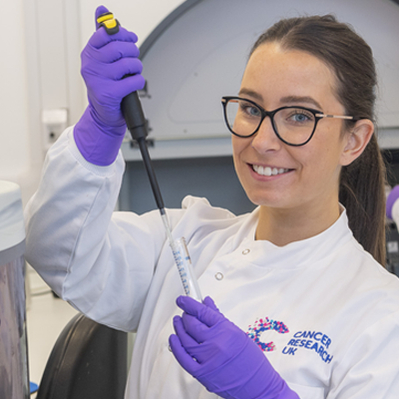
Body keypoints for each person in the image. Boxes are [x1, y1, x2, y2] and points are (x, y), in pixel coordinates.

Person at [24, 5, 399, 399]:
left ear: (354, 140)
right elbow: (56, 255)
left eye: (299, 116)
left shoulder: (379, 313)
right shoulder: (187, 240)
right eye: (251, 109)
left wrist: (268, 394)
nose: (262, 141)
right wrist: (97, 131)